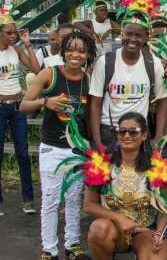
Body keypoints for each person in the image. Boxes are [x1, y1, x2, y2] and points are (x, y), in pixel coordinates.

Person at [20, 31, 96, 260]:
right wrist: (46, 102)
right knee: (51, 200)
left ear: (88, 54)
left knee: (74, 199)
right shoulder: (49, 74)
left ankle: (72, 246)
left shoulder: (89, 79)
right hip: (52, 147)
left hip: (78, 149)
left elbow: (91, 116)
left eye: (81, 51)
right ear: (63, 51)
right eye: (71, 49)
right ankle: (49, 250)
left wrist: (92, 148)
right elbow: (24, 105)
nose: (76, 54)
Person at [84, 112, 167, 260]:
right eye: (122, 131)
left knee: (155, 255)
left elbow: (166, 207)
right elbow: (89, 205)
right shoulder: (102, 164)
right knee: (98, 229)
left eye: (133, 132)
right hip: (114, 230)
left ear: (144, 135)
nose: (127, 136)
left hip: (144, 231)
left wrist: (159, 233)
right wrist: (119, 218)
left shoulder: (157, 166)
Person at [88, 13, 167, 148]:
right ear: (121, 34)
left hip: (139, 132)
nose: (133, 39)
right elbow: (95, 103)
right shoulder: (105, 62)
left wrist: (158, 138)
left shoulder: (153, 63)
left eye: (138, 36)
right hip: (110, 131)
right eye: (128, 34)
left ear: (147, 37)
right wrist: (98, 142)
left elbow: (164, 101)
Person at [0, 9, 40, 217]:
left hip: (17, 106)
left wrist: (27, 44)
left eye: (14, 32)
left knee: (23, 153)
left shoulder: (15, 49)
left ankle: (28, 199)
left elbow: (36, 68)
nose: (13, 35)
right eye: (8, 33)